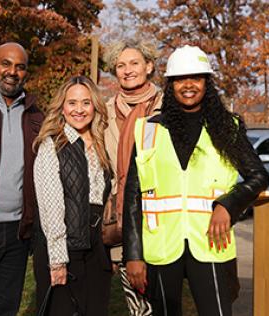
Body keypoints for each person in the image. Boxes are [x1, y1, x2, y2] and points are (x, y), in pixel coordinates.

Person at [123, 45, 269, 316]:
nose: (188, 85)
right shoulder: (148, 129)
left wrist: (228, 204)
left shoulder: (226, 128)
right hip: (162, 245)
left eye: (196, 77)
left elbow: (259, 176)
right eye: (180, 78)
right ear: (171, 84)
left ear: (207, 83)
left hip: (211, 244)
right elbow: (133, 195)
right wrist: (133, 254)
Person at [33, 76, 112, 316]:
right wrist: (57, 261)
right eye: (72, 103)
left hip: (96, 248)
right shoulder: (52, 145)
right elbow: (51, 207)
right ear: (62, 107)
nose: (79, 110)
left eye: (86, 103)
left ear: (95, 106)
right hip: (66, 248)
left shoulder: (101, 143)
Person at [0, 42, 43, 316]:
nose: (12, 71)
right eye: (6, 63)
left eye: (20, 66)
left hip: (16, 234)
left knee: (3, 310)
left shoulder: (37, 115)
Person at [103, 39, 162, 314]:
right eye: (120, 65)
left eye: (134, 63)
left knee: (165, 301)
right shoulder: (103, 112)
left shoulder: (168, 106)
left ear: (149, 66)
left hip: (164, 220)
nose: (127, 70)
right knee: (138, 306)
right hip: (125, 219)